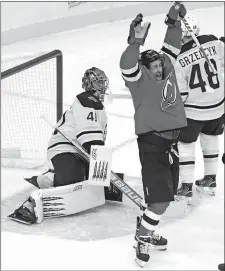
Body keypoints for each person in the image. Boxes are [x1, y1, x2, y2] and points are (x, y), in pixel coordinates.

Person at [120, 2, 187, 267]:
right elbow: (127, 64)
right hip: (152, 145)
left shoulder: (168, 69)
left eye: (159, 64)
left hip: (172, 144)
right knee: (159, 203)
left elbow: (172, 42)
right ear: (145, 68)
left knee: (164, 200)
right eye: (153, 66)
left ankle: (144, 227)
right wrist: (134, 43)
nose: (158, 69)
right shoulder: (138, 80)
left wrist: (174, 19)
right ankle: (143, 238)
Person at [9, 67, 112, 224]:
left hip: (80, 151)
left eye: (103, 81)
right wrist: (99, 164)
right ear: (89, 84)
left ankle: (64, 174)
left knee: (89, 182)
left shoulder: (98, 106)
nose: (102, 85)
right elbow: (91, 138)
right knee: (73, 181)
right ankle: (43, 185)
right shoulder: (86, 100)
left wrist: (101, 171)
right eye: (98, 82)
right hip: (64, 148)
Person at [175, 15, 224, 203]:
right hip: (218, 106)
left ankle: (186, 186)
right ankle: (211, 178)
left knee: (186, 145)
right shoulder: (215, 42)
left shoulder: (179, 58)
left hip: (194, 111)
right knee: (211, 138)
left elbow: (183, 92)